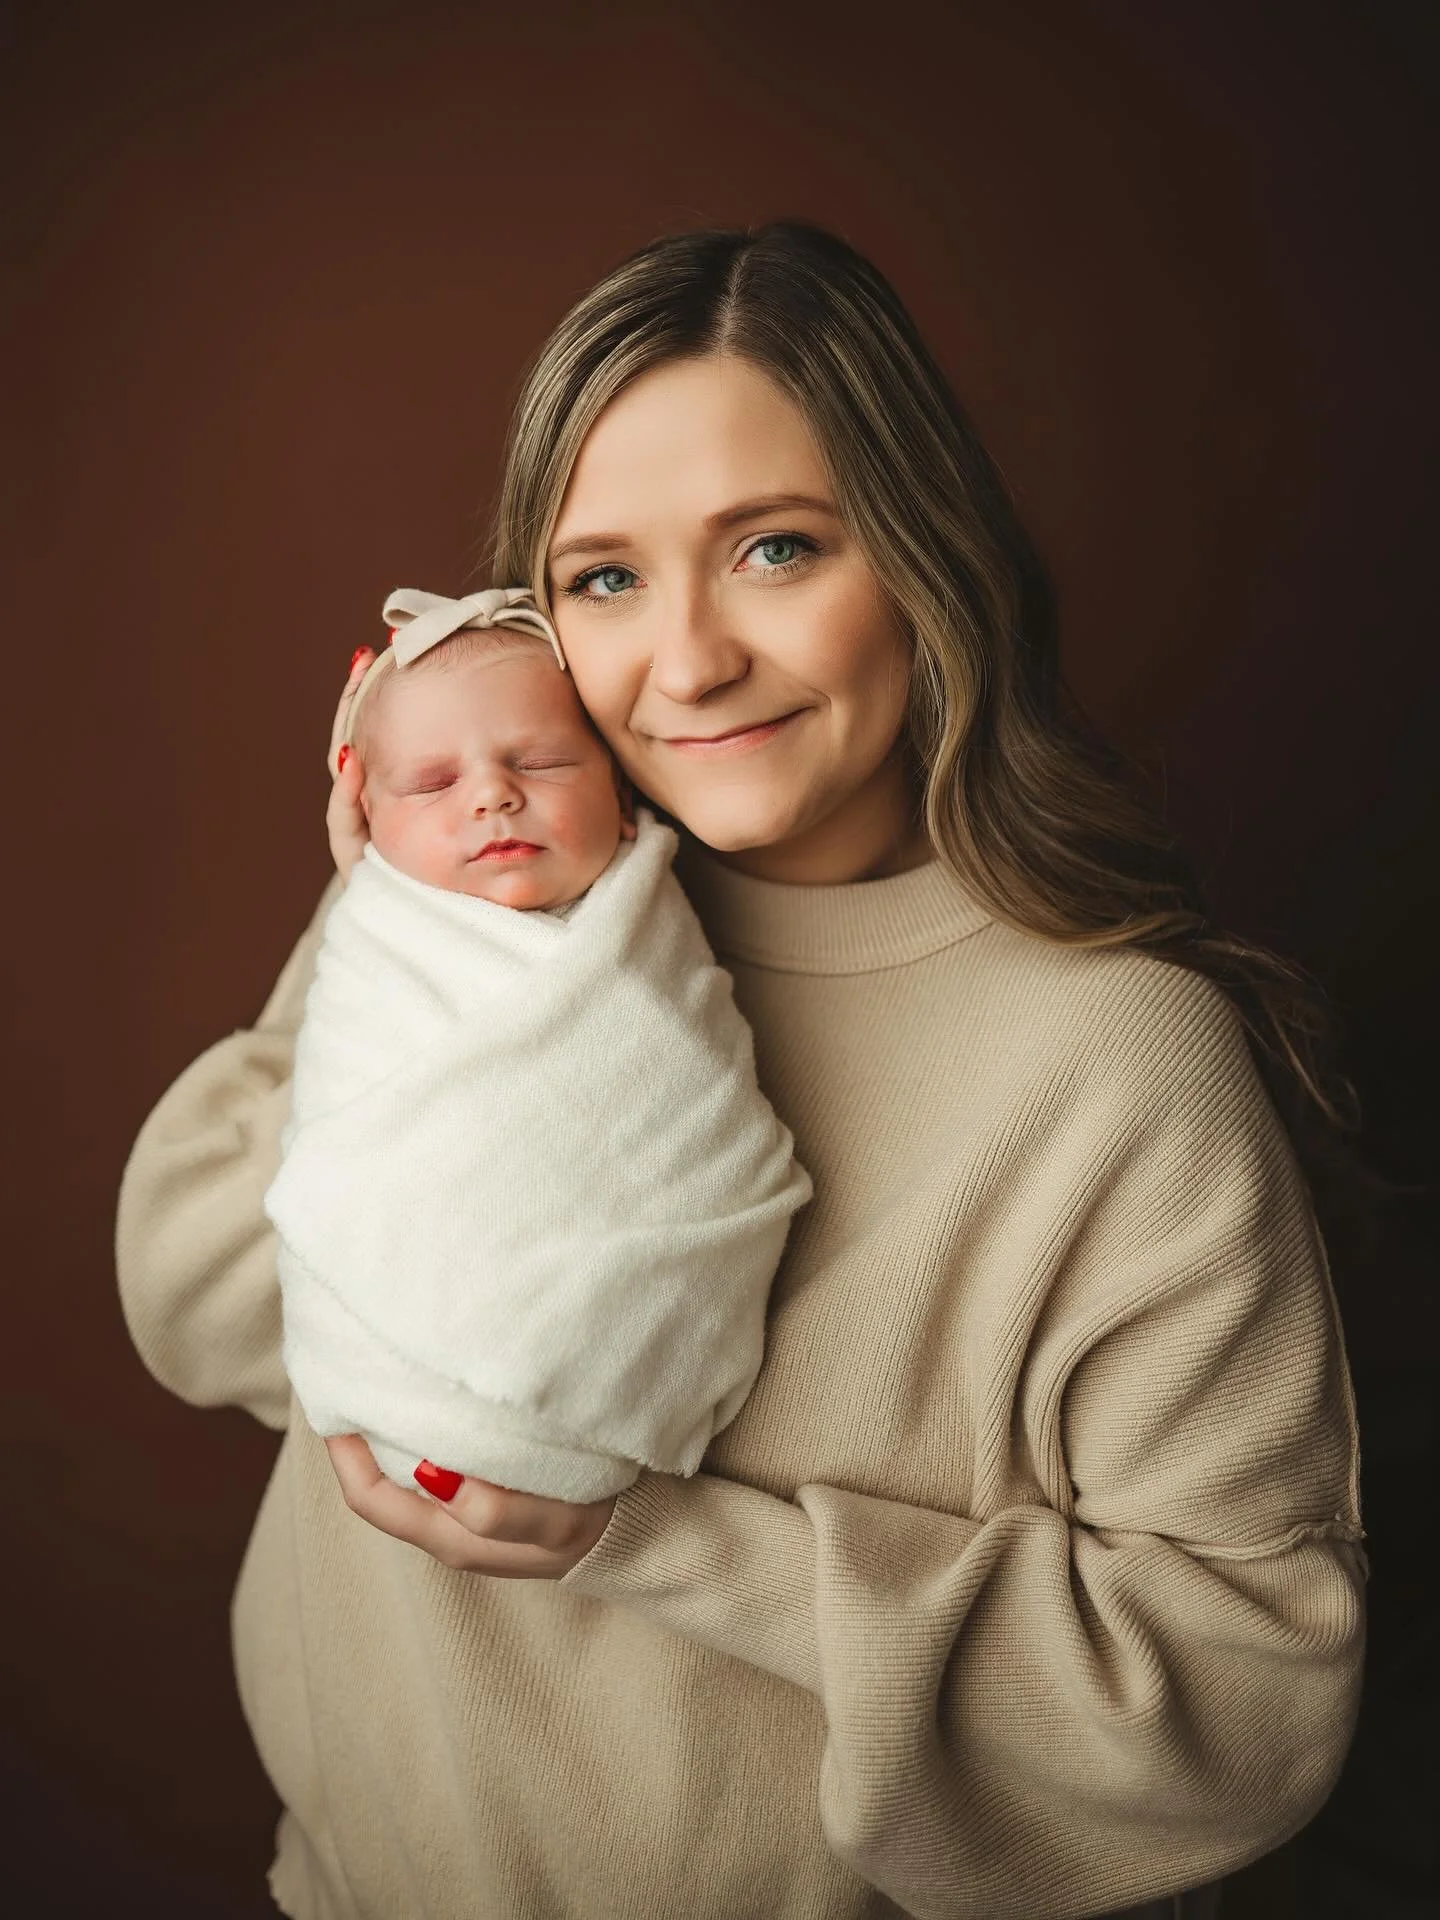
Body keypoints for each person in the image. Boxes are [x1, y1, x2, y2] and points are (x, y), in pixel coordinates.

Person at [115, 220, 1367, 1920]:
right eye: (607, 579)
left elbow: (1245, 1705)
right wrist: (379, 919)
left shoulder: (1114, 1062)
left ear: (924, 563)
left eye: (775, 549)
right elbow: (195, 1311)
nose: (686, 661)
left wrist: (657, 1541)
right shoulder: (485, 899)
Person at [264, 581, 812, 1504]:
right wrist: (368, 899)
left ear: (626, 794)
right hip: (385, 1392)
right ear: (367, 813)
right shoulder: (378, 947)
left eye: (545, 762)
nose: (492, 796)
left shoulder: (653, 940)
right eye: (433, 784)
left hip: (616, 1402)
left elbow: (706, 1141)